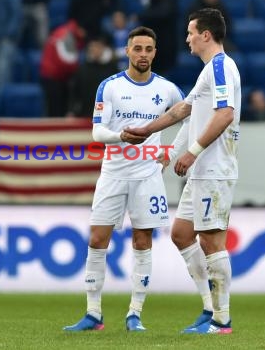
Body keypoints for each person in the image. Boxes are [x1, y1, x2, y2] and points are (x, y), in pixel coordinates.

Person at [63, 26, 185, 332]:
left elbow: (190, 117)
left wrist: (172, 152)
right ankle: (93, 313)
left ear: (154, 53)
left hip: (147, 176)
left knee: (142, 241)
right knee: (96, 239)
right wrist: (120, 136)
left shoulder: (168, 89)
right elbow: (96, 131)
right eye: (137, 49)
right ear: (127, 51)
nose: (143, 54)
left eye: (148, 49)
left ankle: (135, 313)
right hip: (113, 173)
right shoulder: (110, 86)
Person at [129, 8, 241, 334]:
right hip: (202, 170)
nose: (187, 38)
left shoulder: (220, 66)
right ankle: (210, 309)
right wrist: (149, 132)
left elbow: (224, 115)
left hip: (214, 168)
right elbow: (184, 110)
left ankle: (222, 320)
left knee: (211, 241)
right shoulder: (209, 70)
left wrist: (192, 153)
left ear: (206, 35)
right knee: (181, 233)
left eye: (191, 32)